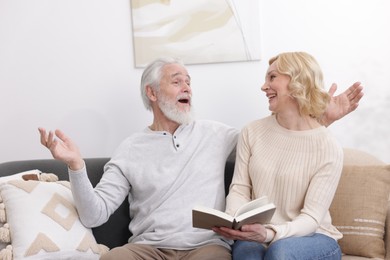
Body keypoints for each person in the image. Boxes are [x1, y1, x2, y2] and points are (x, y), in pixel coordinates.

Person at [38, 57, 363, 260]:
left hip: (206, 247)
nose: (187, 87)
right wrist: (76, 167)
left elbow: (281, 143)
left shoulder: (217, 134)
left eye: (189, 82)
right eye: (176, 80)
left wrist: (324, 120)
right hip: (148, 247)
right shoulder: (130, 148)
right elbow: (95, 216)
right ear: (152, 93)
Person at [213, 52, 347, 260]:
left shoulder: (328, 147)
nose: (264, 86)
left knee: (280, 253)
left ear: (297, 81)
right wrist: (234, 221)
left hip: (313, 237)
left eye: (272, 77)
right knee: (248, 254)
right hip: (259, 233)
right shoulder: (252, 131)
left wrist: (270, 234)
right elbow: (240, 188)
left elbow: (311, 218)